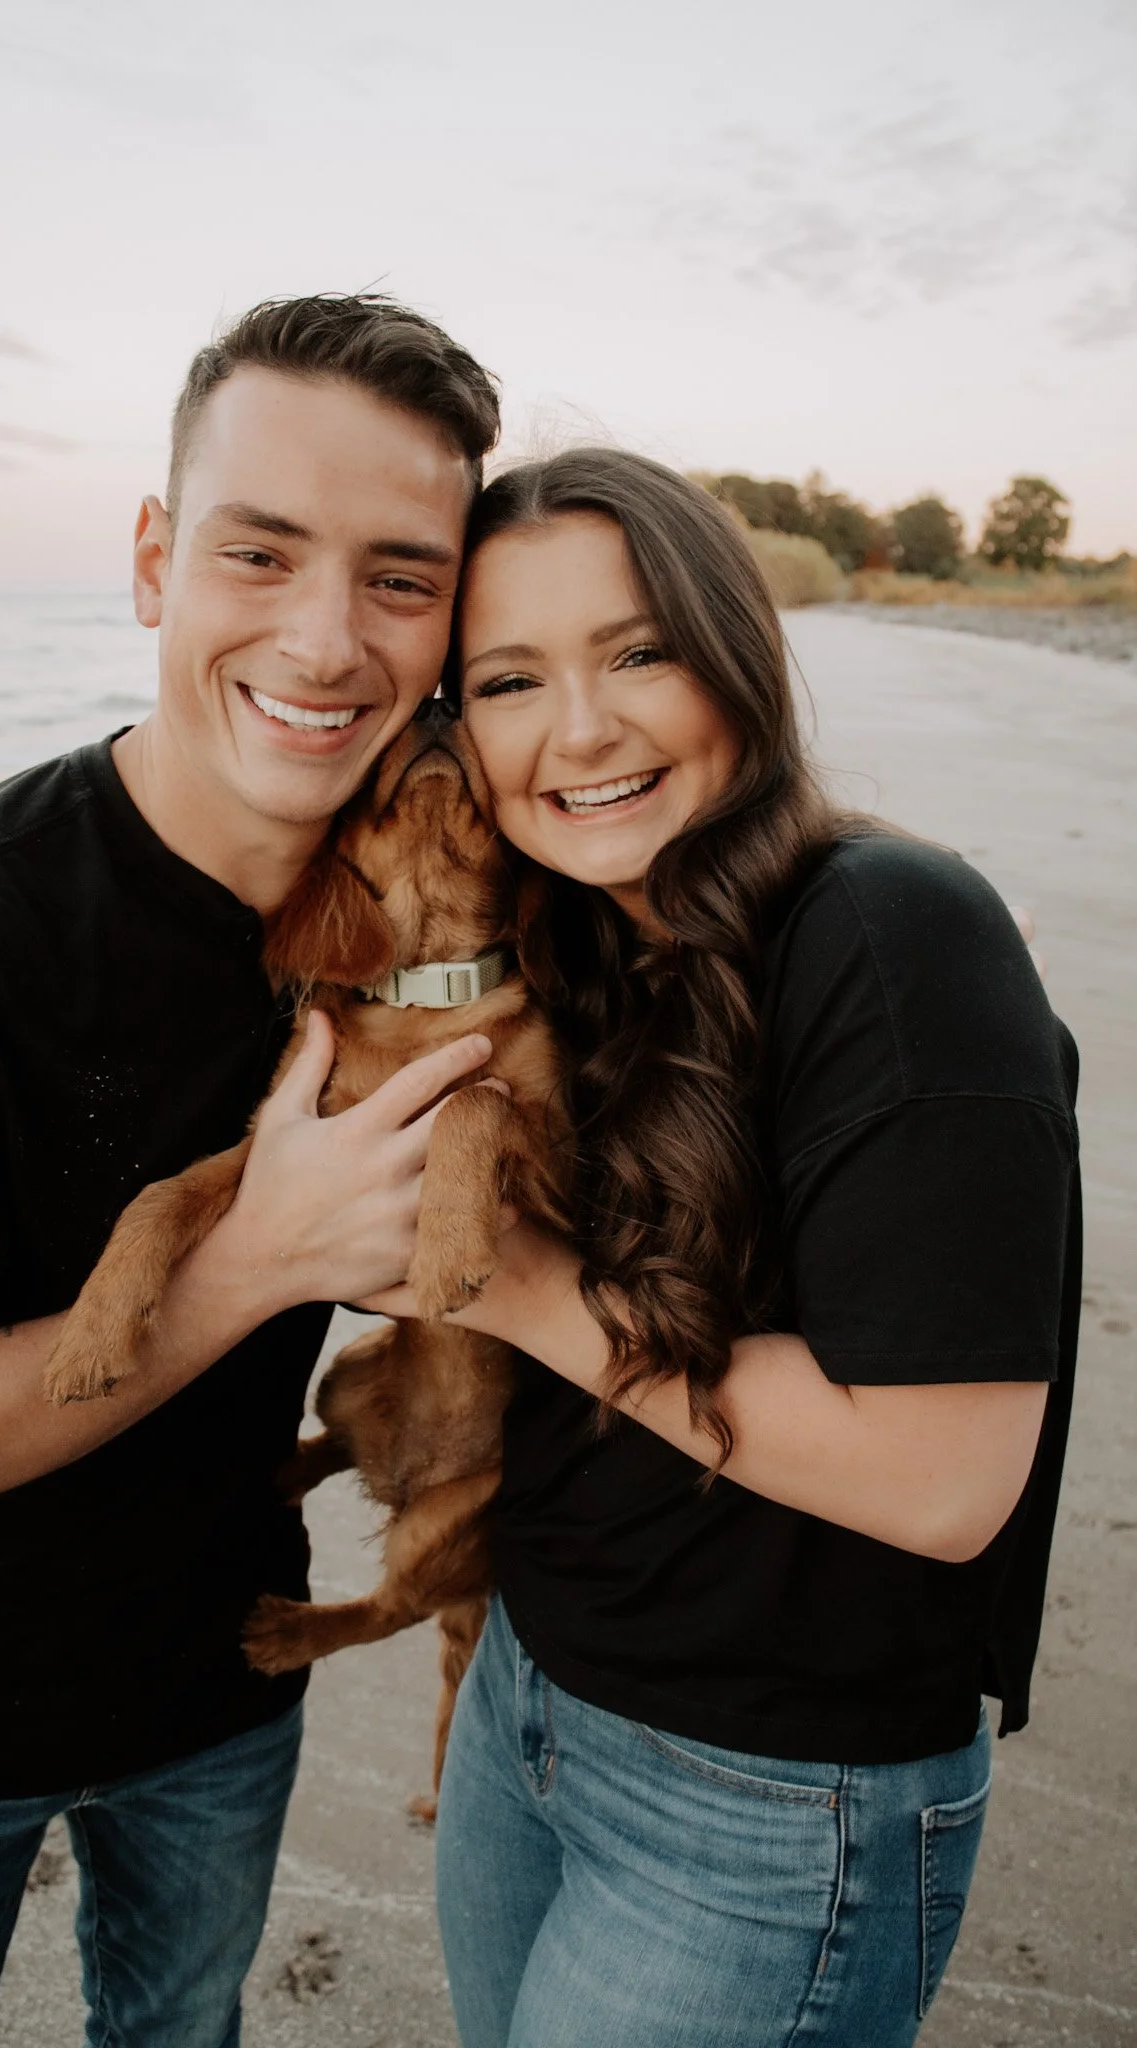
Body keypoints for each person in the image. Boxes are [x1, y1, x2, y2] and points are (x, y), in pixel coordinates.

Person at [0, 295, 503, 2048]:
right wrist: (258, 1259)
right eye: (260, 553)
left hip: (220, 1688)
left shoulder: (442, 912)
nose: (326, 639)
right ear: (156, 563)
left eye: (400, 578)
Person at [367, 450, 1080, 2046]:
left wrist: (526, 1289)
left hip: (768, 1802)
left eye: (639, 651)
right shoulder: (579, 943)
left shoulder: (891, 930)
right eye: (508, 681)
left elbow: (943, 1483)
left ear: (735, 651)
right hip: (530, 1699)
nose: (580, 730)